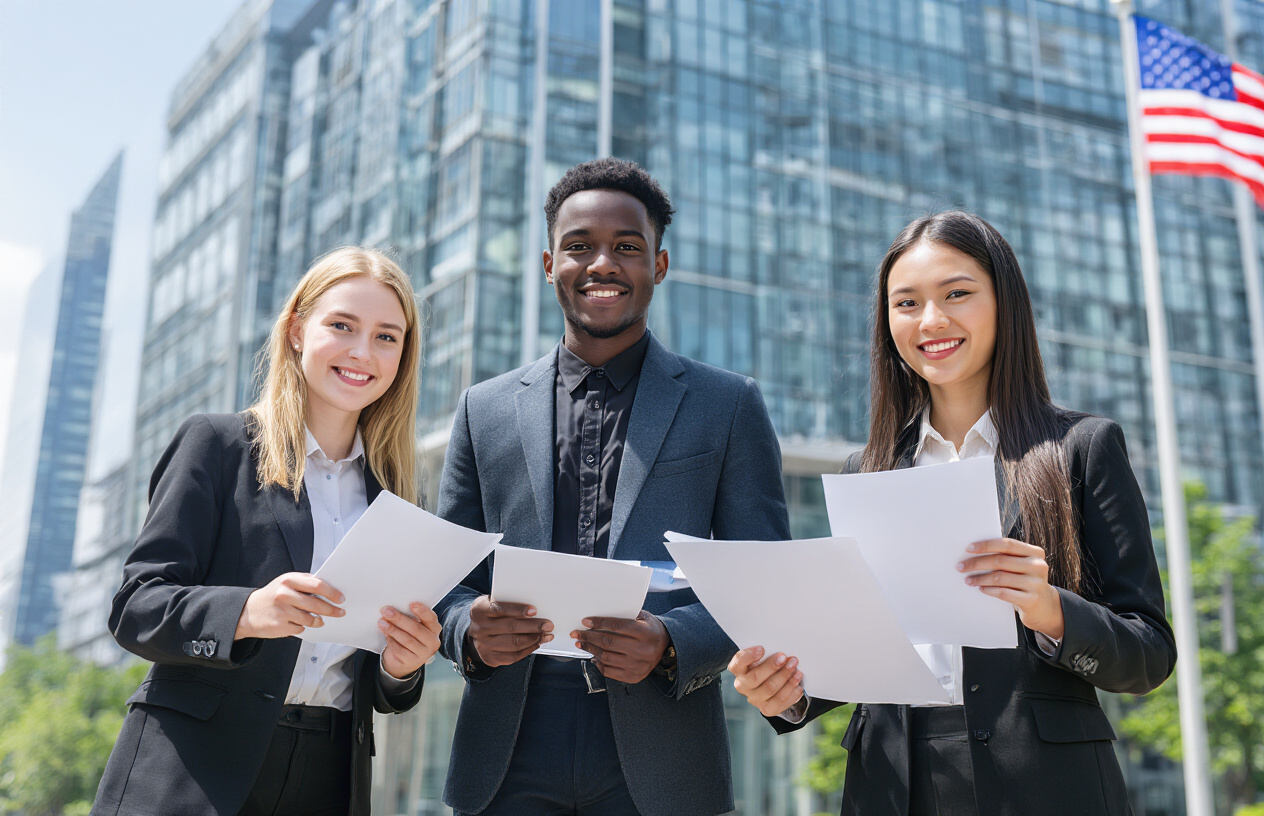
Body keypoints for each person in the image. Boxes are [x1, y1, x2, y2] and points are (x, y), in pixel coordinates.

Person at [728, 211, 1177, 816]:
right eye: (906, 303)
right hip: (893, 785)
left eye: (957, 294)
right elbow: (863, 648)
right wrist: (788, 692)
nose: (931, 321)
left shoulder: (1082, 448)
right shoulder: (868, 471)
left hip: (1046, 786)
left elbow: (1148, 653)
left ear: (1004, 302)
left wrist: (1051, 612)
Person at [433, 157, 791, 816]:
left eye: (626, 247)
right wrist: (466, 630)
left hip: (665, 754)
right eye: (579, 247)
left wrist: (676, 641)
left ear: (658, 264)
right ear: (548, 265)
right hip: (506, 753)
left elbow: (764, 580)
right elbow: (443, 581)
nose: (603, 263)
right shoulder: (482, 411)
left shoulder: (727, 405)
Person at [92, 247, 442, 816]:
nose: (362, 352)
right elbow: (135, 608)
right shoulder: (217, 444)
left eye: (386, 336)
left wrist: (400, 667)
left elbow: (376, 686)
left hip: (328, 777)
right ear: (297, 331)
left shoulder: (397, 499)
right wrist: (248, 613)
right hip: (195, 769)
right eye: (342, 325)